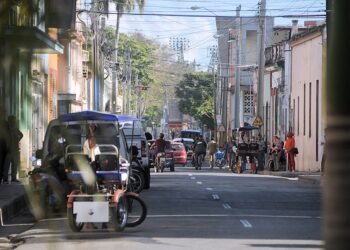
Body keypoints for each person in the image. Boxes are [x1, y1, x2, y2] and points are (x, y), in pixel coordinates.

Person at [3, 116, 23, 183]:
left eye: (13, 121)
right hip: (9, 150)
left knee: (14, 165)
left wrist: (18, 140)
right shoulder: (7, 129)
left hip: (14, 150)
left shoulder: (15, 129)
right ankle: (5, 178)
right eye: (12, 120)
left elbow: (21, 135)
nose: (13, 122)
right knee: (7, 165)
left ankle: (13, 178)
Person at [0, 110, 9, 184]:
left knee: (2, 163)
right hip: (3, 147)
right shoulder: (5, 123)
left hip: (3, 147)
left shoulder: (5, 123)